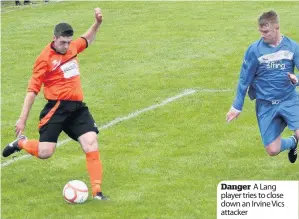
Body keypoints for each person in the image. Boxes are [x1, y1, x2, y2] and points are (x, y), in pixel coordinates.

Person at [2, 8, 107, 200]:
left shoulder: (72, 47)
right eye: (62, 42)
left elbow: (87, 39)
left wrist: (97, 23)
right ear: (54, 38)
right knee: (45, 152)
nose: (66, 46)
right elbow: (32, 92)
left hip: (77, 109)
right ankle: (21, 143)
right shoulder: (44, 60)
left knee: (91, 143)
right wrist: (22, 119)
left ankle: (97, 192)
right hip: (56, 109)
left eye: (68, 42)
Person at [226, 10, 299, 163]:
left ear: (276, 27)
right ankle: (292, 142)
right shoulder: (254, 50)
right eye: (261, 31)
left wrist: (296, 78)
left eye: (266, 31)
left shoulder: (292, 47)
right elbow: (244, 79)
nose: (262, 35)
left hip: (289, 100)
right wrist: (237, 106)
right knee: (272, 150)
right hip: (266, 105)